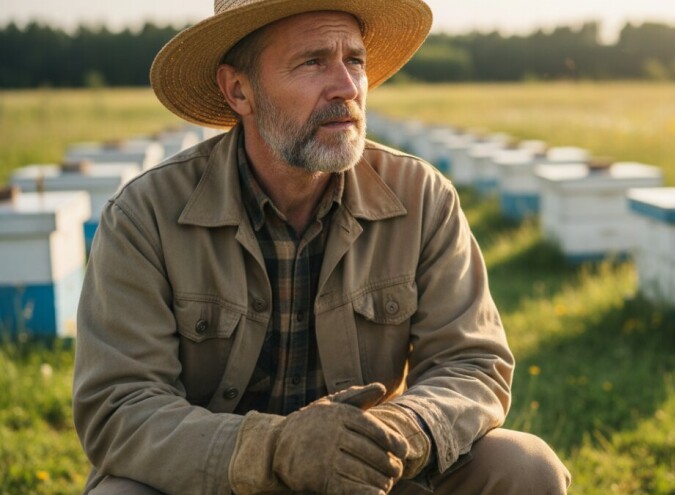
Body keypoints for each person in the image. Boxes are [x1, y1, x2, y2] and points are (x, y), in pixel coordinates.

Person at [72, 0, 571, 493]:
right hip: (217, 482)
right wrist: (276, 450)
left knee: (524, 467)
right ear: (239, 90)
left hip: (373, 476)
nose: (347, 86)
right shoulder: (145, 215)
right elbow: (120, 404)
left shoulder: (422, 196)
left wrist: (399, 431)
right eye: (313, 62)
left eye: (354, 60)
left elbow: (472, 363)